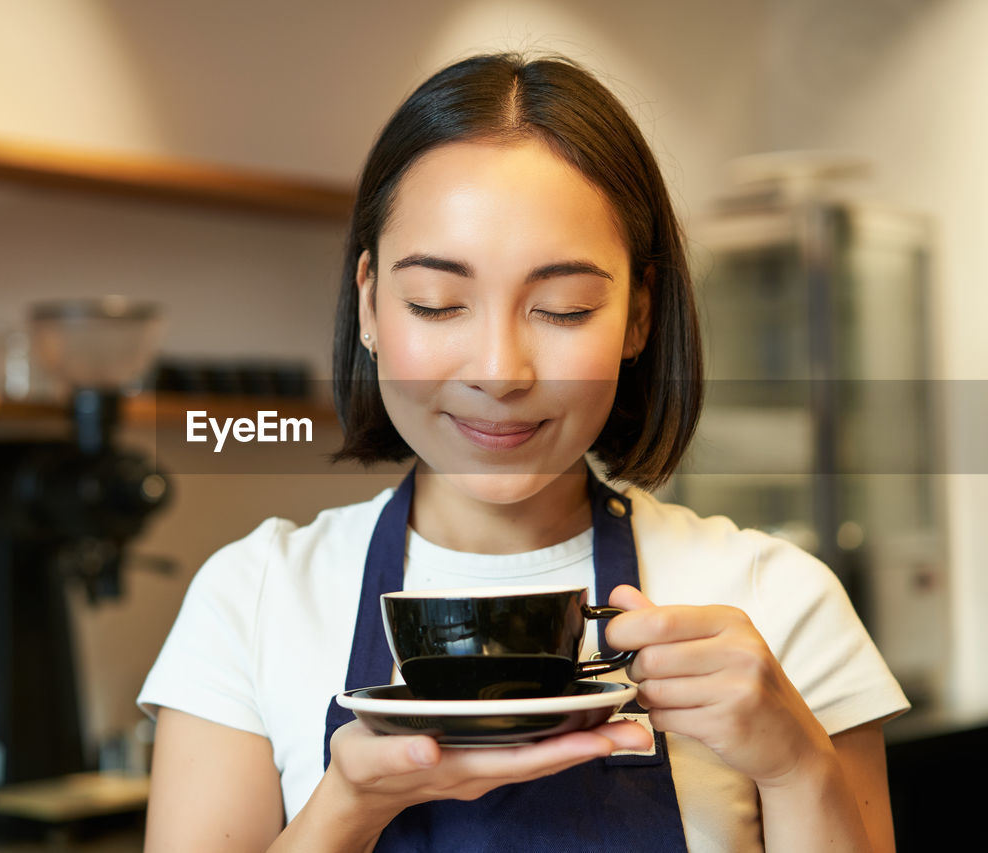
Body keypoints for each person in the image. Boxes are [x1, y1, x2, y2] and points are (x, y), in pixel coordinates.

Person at [137, 53, 908, 852]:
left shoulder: (776, 599)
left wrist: (795, 764)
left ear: (640, 316)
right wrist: (347, 806)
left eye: (563, 309)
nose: (500, 370)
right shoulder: (254, 598)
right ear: (368, 303)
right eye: (437, 304)